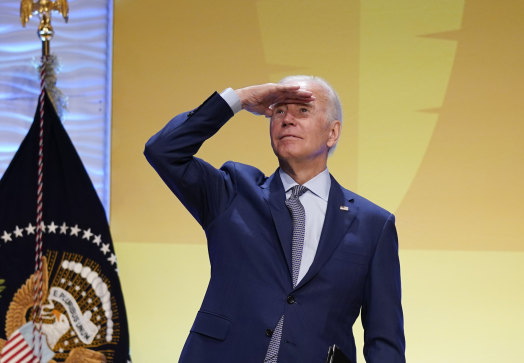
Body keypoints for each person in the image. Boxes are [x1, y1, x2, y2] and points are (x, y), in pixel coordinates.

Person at [144, 75, 405, 363]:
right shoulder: (233, 191)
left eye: (303, 111)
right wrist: (239, 99)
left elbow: (385, 340)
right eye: (279, 111)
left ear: (332, 133)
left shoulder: (373, 225)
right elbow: (163, 150)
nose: (287, 120)